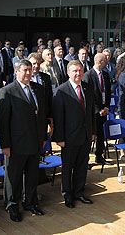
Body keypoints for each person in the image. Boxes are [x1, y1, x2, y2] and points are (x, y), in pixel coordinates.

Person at [0, 59, 47, 222]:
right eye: (24, 70)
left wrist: (44, 137)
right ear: (16, 72)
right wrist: (5, 145)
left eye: (30, 70)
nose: (27, 73)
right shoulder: (7, 91)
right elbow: (2, 121)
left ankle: (30, 202)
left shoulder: (38, 89)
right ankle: (12, 205)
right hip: (15, 143)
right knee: (14, 177)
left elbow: (42, 115)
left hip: (35, 141)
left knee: (32, 175)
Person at [52, 60, 95, 208]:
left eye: (80, 71)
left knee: (82, 166)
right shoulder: (61, 91)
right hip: (69, 137)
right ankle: (67, 195)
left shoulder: (88, 88)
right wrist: (60, 138)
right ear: (68, 73)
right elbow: (58, 117)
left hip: (85, 135)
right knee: (68, 167)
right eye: (75, 71)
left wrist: (93, 131)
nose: (78, 73)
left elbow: (90, 113)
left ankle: (79, 192)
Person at [83, 53, 112, 165]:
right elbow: (88, 96)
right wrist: (97, 110)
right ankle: (85, 161)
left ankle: (99, 156)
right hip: (93, 112)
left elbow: (108, 92)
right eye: (105, 60)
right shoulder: (88, 75)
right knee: (91, 135)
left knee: (101, 135)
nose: (107, 62)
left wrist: (106, 107)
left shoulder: (105, 74)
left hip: (104, 110)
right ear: (100, 61)